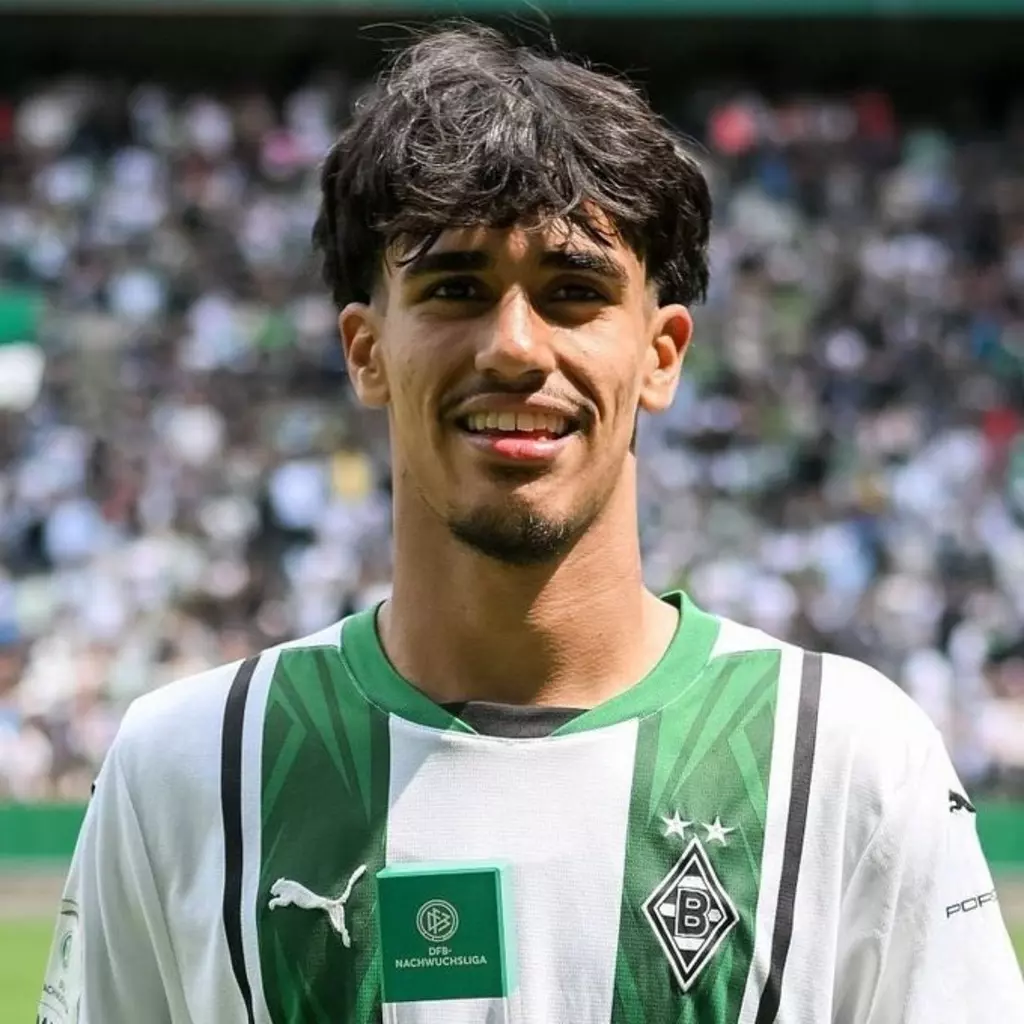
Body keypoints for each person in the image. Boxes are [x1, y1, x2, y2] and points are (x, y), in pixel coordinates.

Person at [39, 25, 1023, 1024]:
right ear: (365, 351)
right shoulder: (188, 765)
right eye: (455, 287)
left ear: (661, 355)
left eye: (575, 291)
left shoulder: (850, 759)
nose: (514, 347)